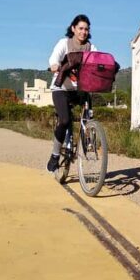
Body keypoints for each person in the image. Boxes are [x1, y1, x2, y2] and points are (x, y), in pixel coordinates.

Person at [45, 14, 97, 174]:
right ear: (73, 28)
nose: (83, 32)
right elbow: (54, 58)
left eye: (86, 29)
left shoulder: (91, 48)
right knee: (65, 120)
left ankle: (88, 140)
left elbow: (97, 60)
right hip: (61, 89)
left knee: (89, 114)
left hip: (79, 89)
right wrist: (54, 65)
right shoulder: (64, 43)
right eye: (80, 28)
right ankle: (55, 155)